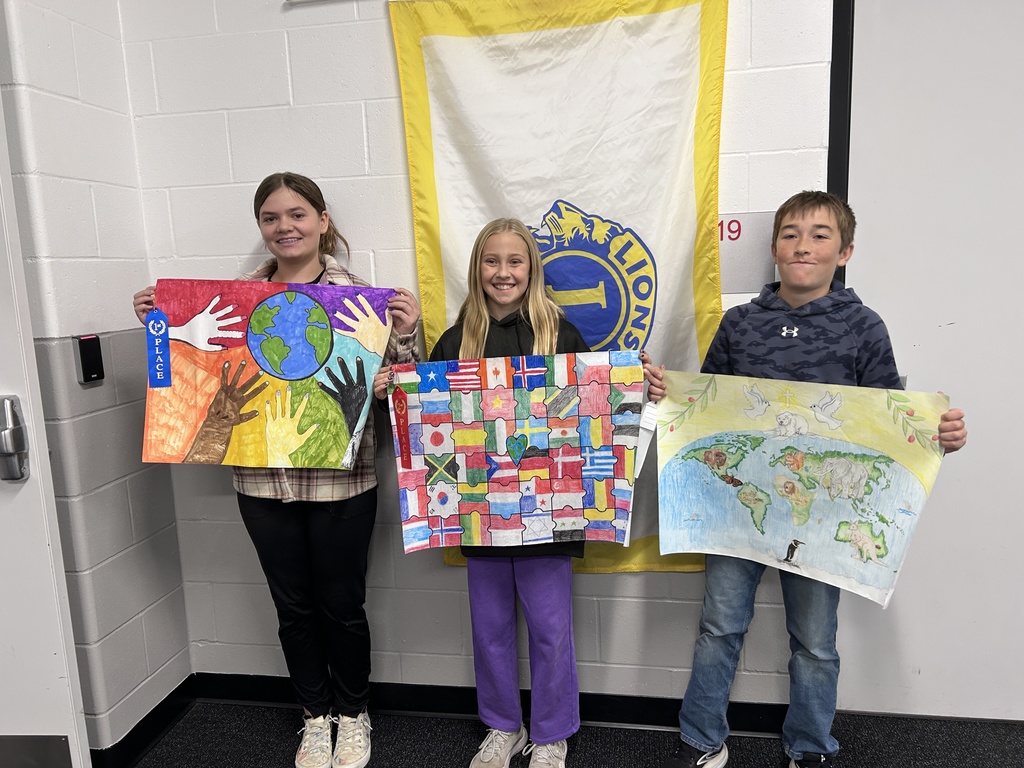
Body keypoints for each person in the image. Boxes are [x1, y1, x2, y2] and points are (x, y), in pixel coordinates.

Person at [644, 191, 968, 768]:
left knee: (815, 642)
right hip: (739, 505)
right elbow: (709, 402)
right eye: (791, 233)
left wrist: (935, 435)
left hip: (821, 515)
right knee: (720, 624)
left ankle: (811, 744)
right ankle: (701, 736)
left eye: (820, 235)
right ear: (773, 249)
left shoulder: (863, 327)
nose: (803, 245)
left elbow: (889, 416)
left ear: (844, 252)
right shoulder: (740, 324)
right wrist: (669, 396)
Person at [133, 172, 421, 768]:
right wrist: (163, 325)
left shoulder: (362, 299)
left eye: (296, 214)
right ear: (261, 228)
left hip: (343, 481)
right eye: (270, 217)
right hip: (262, 481)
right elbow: (186, 380)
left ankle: (354, 714)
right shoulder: (233, 303)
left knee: (342, 605)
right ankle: (315, 718)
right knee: (292, 605)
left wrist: (407, 337)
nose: (284, 226)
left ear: (321, 221)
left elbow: (407, 394)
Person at [374, 218, 588, 768]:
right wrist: (395, 384)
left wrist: (640, 387)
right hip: (478, 510)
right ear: (477, 269)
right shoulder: (457, 337)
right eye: (492, 261)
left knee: (550, 628)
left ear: (531, 269)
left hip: (547, 511)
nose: (503, 272)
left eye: (515, 261)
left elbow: (596, 409)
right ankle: (501, 727)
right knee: (489, 628)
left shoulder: (559, 334)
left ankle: (551, 733)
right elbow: (425, 416)